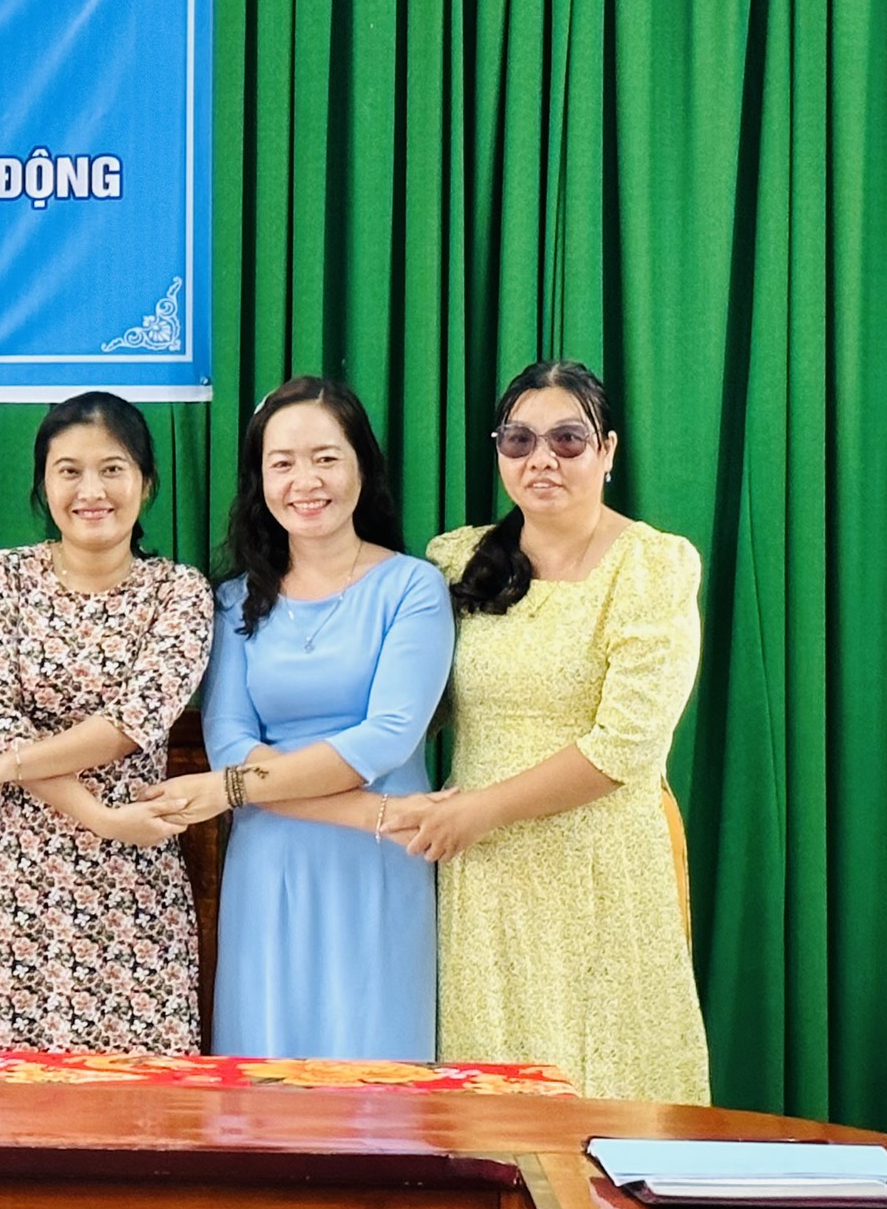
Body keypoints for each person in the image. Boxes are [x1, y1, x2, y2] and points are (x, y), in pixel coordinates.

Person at [392, 360, 712, 1103]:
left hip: (604, 866)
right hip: (484, 876)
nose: (542, 459)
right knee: (494, 1098)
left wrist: (482, 810)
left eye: (567, 439)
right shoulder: (459, 559)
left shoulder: (652, 567)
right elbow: (416, 705)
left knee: (616, 1087)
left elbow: (627, 746)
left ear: (608, 451)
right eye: (519, 440)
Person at [141, 377, 454, 1060]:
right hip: (276, 862)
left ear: (362, 467)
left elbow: (386, 736)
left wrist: (236, 790)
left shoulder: (413, 587)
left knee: (378, 1081)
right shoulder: (233, 600)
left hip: (379, 868)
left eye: (325, 458)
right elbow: (229, 741)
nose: (304, 482)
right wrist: (371, 813)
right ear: (260, 481)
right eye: (281, 463)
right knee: (264, 1076)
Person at [0, 392, 213, 1053]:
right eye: (69, 471)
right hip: (20, 886)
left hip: (135, 887)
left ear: (147, 483)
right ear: (43, 484)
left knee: (142, 1097)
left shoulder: (179, 591)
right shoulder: (1, 579)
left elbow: (133, 720)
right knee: (11, 1093)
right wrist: (100, 817)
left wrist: (2, 770)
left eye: (112, 469)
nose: (92, 491)